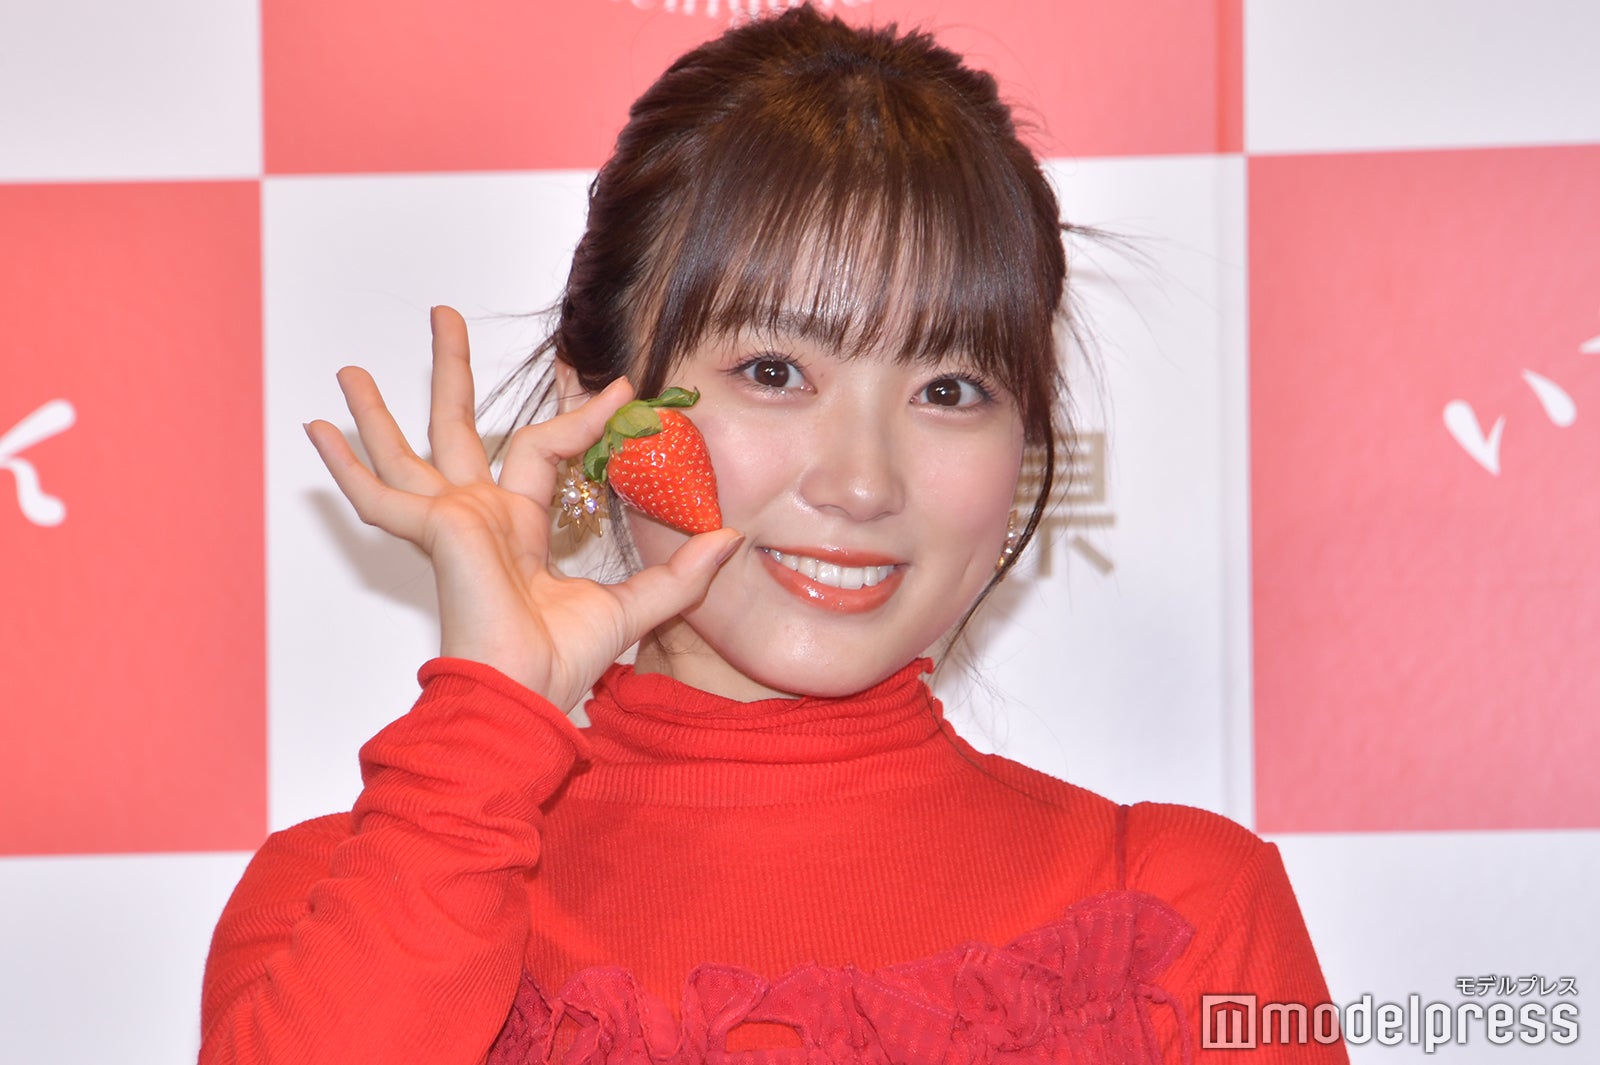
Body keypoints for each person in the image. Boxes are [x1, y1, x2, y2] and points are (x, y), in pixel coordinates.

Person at [200, 6, 1345, 1063]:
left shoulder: (1180, 912)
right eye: (772, 372)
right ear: (592, 410)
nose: (861, 483)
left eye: (949, 390)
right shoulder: (345, 902)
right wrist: (486, 722)